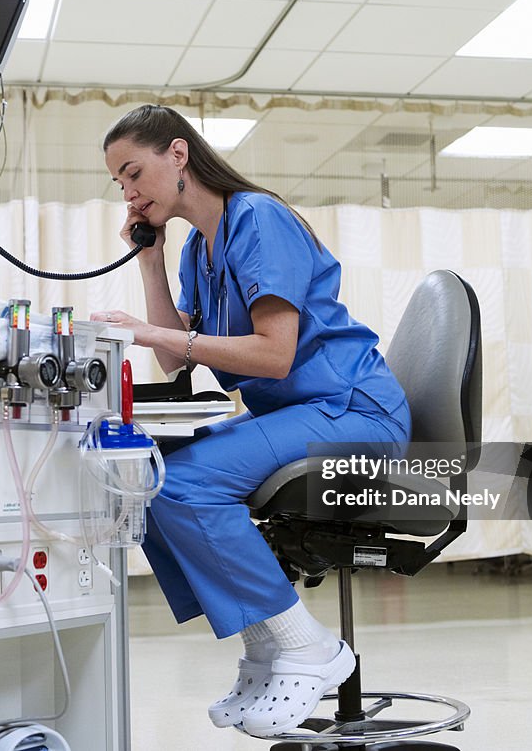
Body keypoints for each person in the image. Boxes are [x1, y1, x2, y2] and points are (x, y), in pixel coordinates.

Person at [91, 105, 411, 737]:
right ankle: (268, 649)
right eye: (119, 184)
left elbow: (276, 352)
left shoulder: (258, 220)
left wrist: (155, 330)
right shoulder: (196, 252)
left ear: (177, 155)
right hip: (303, 413)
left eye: (133, 173)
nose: (128, 192)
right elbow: (168, 353)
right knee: (149, 478)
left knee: (181, 484)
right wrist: (148, 260)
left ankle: (306, 646)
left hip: (354, 410)